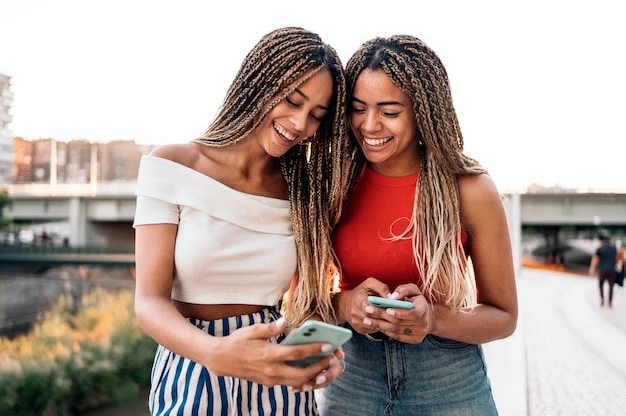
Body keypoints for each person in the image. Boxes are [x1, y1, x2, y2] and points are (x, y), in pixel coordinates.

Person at [133, 27, 350, 415]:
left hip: (277, 377)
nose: (300, 124)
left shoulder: (302, 193)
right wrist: (216, 354)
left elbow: (308, 302)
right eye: (292, 100)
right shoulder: (173, 165)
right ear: (258, 83)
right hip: (193, 369)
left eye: (316, 116)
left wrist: (319, 354)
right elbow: (149, 302)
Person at [317, 35, 518, 415]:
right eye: (358, 109)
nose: (369, 125)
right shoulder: (333, 186)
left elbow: (504, 317)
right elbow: (297, 303)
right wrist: (346, 303)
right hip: (353, 373)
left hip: (447, 378)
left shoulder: (471, 190)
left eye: (389, 111)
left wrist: (433, 318)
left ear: (422, 110)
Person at [589, 233, 617, 307]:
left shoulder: (600, 248)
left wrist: (592, 268)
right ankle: (610, 301)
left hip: (602, 270)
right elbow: (616, 257)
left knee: (601, 285)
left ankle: (602, 299)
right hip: (611, 269)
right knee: (611, 286)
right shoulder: (613, 248)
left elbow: (595, 258)